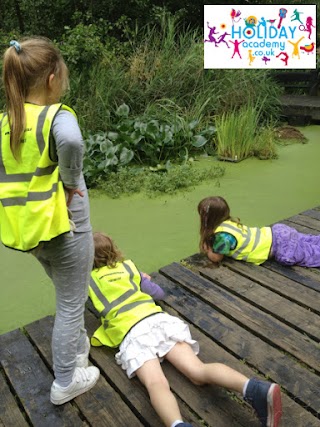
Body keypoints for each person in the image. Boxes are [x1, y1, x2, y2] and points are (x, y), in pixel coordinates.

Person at [89, 232, 282, 427]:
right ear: (114, 250)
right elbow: (158, 293)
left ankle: (177, 424)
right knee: (198, 371)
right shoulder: (129, 268)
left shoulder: (87, 281)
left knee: (156, 384)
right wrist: (143, 280)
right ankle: (253, 388)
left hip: (133, 332)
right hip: (159, 321)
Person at [0, 37, 100, 405]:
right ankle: (65, 381)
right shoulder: (58, 115)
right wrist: (72, 181)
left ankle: (76, 353)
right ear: (52, 78)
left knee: (65, 293)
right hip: (65, 228)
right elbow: (72, 142)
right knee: (71, 304)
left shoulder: (6, 121)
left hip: (29, 231)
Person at [198, 195, 320, 267]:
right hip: (277, 232)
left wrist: (208, 249)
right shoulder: (230, 222)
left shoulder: (222, 236)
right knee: (309, 242)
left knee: (311, 254)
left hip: (281, 247)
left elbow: (216, 258)